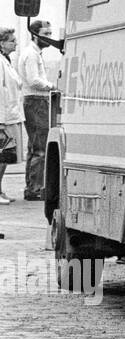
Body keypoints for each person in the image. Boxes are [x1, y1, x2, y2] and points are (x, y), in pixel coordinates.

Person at [17, 19, 56, 202]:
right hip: (36, 101)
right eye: (45, 34)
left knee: (35, 146)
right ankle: (35, 188)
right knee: (40, 147)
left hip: (34, 101)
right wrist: (52, 86)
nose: (49, 37)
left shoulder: (33, 53)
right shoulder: (32, 55)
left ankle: (32, 186)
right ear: (35, 35)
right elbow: (34, 80)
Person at [0, 28, 24, 205]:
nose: (15, 43)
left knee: (6, 157)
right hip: (4, 117)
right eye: (11, 40)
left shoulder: (6, 60)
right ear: (2, 43)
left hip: (11, 114)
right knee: (2, 156)